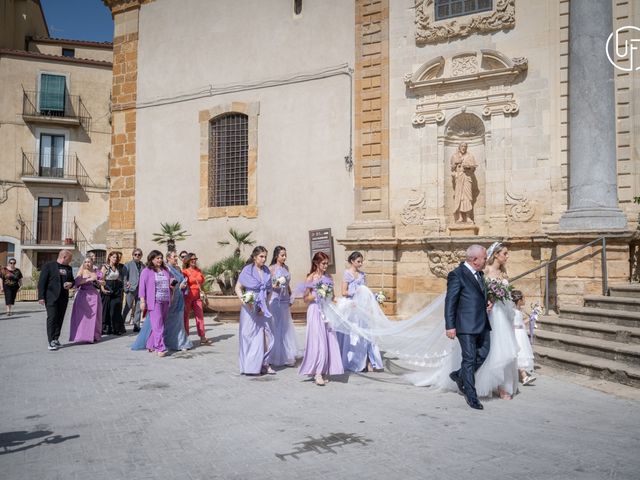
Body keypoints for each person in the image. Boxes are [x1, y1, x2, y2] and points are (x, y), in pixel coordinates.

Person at [445, 244, 492, 410]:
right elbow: (450, 301)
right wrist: (450, 326)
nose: (487, 260)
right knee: (470, 358)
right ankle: (471, 395)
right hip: (465, 325)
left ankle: (459, 375)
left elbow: (476, 295)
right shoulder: (457, 275)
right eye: (485, 258)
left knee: (484, 353)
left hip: (482, 323)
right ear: (474, 260)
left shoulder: (479, 274)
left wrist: (486, 302)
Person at [473, 242, 519, 400]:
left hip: (504, 315)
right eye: (505, 253)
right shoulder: (485, 270)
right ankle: (489, 383)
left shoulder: (504, 273)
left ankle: (504, 386)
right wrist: (486, 301)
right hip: (491, 315)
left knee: (504, 348)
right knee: (493, 348)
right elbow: (477, 290)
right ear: (496, 254)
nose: (507, 256)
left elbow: (507, 295)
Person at [298, 252, 344, 386]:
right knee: (318, 341)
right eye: (323, 263)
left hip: (326, 311)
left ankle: (324, 370)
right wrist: (318, 293)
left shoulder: (329, 277)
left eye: (326, 263)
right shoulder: (310, 278)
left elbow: (333, 296)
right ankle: (317, 373)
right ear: (316, 263)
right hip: (314, 311)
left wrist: (344, 303)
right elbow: (305, 298)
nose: (325, 266)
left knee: (328, 340)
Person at [336, 251, 383, 372]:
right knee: (354, 334)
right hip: (352, 307)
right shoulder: (347, 274)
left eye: (361, 261)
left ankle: (368, 361)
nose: (361, 263)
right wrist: (355, 292)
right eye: (358, 261)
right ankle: (354, 361)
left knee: (365, 334)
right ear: (352, 261)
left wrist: (373, 297)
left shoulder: (362, 275)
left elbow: (365, 291)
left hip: (362, 307)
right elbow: (343, 292)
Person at [235, 246, 275, 375]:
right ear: (254, 257)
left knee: (265, 336)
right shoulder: (247, 270)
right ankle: (250, 366)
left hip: (262, 307)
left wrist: (266, 305)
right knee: (248, 335)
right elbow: (238, 288)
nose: (264, 259)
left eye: (265, 257)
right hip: (249, 307)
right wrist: (246, 301)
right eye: (261, 256)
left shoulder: (267, 271)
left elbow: (269, 290)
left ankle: (265, 364)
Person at [267, 246, 299, 367]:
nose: (284, 257)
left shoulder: (286, 268)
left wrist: (290, 295)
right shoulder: (271, 269)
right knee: (276, 326)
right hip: (275, 299)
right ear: (276, 256)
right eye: (282, 255)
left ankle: (286, 354)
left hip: (285, 299)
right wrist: (276, 284)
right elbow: (269, 286)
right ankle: (275, 355)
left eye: (285, 255)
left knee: (286, 327)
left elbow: (288, 284)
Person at [38, 249, 74, 351]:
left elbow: (72, 280)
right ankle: (50, 341)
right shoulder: (49, 266)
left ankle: (55, 339)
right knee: (52, 318)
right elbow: (41, 282)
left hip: (63, 298)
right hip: (51, 297)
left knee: (60, 318)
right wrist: (41, 297)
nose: (70, 261)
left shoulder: (69, 268)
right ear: (64, 257)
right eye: (70, 259)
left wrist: (71, 284)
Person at [138, 250, 171, 357]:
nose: (160, 260)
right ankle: (160, 347)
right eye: (157, 258)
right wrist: (142, 301)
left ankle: (150, 344)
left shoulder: (165, 270)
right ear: (152, 259)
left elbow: (169, 282)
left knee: (160, 325)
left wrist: (172, 283)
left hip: (166, 300)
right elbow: (142, 287)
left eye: (161, 258)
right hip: (154, 301)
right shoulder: (146, 271)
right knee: (158, 325)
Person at [69, 256, 104, 344]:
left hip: (94, 296)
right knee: (83, 317)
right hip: (83, 296)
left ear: (92, 262)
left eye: (89, 262)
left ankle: (94, 336)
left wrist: (100, 282)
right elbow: (76, 283)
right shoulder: (81, 272)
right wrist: (88, 279)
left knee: (95, 317)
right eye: (85, 262)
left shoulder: (97, 272)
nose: (87, 263)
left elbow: (103, 282)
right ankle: (82, 336)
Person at [165, 251, 193, 351]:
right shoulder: (166, 269)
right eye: (174, 256)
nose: (176, 258)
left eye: (176, 256)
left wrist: (184, 284)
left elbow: (181, 280)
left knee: (179, 320)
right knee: (170, 321)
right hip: (172, 298)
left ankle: (181, 342)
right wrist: (179, 286)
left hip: (180, 296)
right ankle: (169, 342)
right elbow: (168, 283)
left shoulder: (177, 268)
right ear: (168, 258)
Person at [182, 253, 211, 345]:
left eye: (195, 259)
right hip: (188, 296)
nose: (194, 260)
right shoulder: (185, 271)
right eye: (192, 259)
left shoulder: (199, 271)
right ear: (188, 261)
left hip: (197, 296)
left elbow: (202, 283)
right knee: (185, 317)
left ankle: (202, 337)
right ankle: (185, 336)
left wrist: (204, 293)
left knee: (200, 316)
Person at [511, 289, 536, 386]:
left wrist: (531, 319)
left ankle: (523, 375)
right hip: (516, 334)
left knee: (521, 354)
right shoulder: (513, 311)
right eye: (524, 298)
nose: (525, 300)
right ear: (519, 300)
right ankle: (524, 376)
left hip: (521, 333)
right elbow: (513, 324)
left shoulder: (519, 310)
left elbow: (520, 323)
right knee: (519, 354)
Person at [450, 142, 477, 224]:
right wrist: (456, 163)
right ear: (459, 147)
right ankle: (461, 217)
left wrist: (469, 167)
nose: (463, 148)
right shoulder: (454, 156)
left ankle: (468, 217)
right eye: (462, 146)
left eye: (465, 146)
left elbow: (474, 167)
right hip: (459, 178)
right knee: (460, 197)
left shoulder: (470, 156)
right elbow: (452, 168)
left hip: (467, 177)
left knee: (468, 197)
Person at [101, 251, 126, 335]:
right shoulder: (105, 267)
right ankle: (106, 329)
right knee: (106, 309)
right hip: (107, 288)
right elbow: (101, 279)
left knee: (116, 308)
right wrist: (102, 289)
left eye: (116, 257)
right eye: (113, 257)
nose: (115, 259)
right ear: (109, 257)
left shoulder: (117, 267)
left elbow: (119, 277)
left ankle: (117, 328)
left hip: (116, 289)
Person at [122, 248, 144, 332]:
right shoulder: (127, 264)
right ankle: (121, 324)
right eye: (136, 254)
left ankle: (136, 325)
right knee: (127, 307)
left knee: (138, 308)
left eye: (139, 254)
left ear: (141, 256)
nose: (137, 256)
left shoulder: (143, 265)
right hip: (131, 289)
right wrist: (125, 289)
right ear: (133, 255)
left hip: (140, 289)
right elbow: (124, 277)